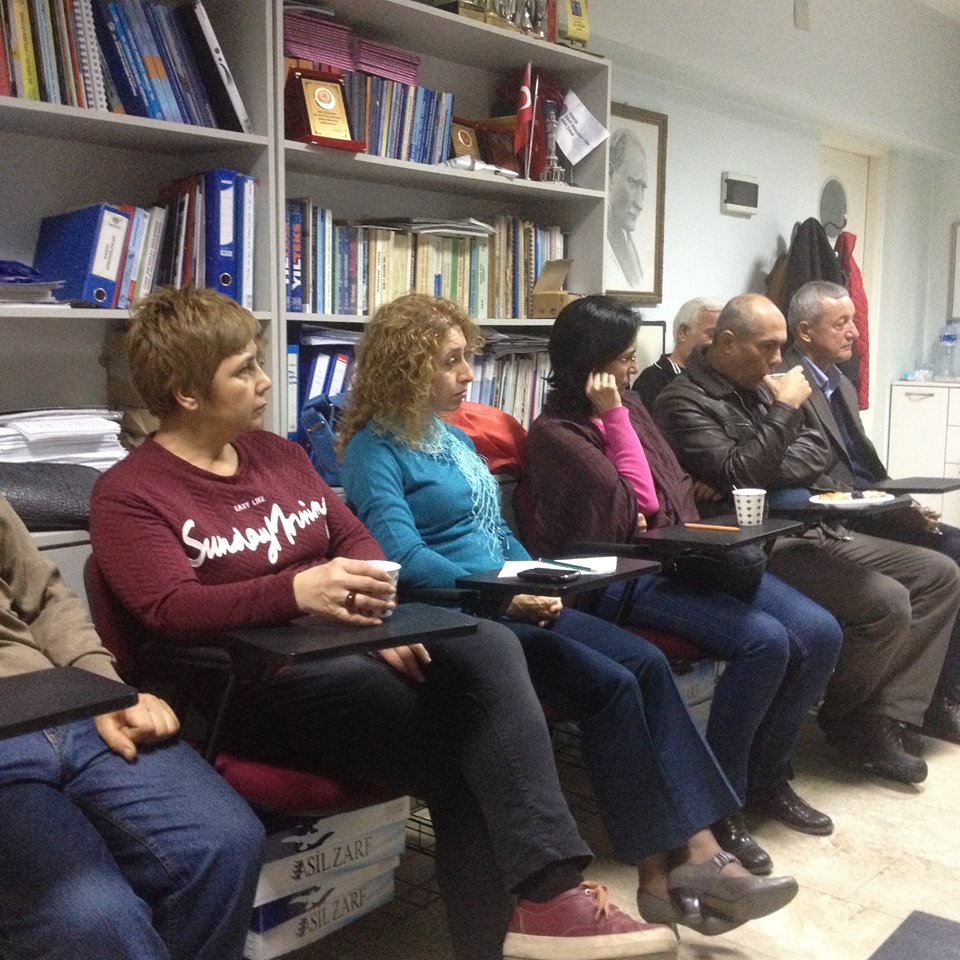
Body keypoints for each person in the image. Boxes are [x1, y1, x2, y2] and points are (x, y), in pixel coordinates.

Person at [89, 286, 681, 960]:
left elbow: (360, 544)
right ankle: (546, 900)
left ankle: (544, 904)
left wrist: (373, 625)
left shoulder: (279, 457)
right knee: (477, 745)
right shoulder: (131, 492)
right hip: (257, 683)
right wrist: (298, 592)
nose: (264, 381)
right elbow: (170, 610)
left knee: (486, 652)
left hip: (344, 652)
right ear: (187, 393)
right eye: (244, 369)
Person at [338, 292, 799, 931]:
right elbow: (404, 557)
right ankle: (674, 867)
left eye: (467, 358)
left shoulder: (451, 436)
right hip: (461, 617)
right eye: (450, 361)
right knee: (613, 683)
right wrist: (505, 591)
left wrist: (539, 574)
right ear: (404, 369)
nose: (468, 373)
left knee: (644, 663)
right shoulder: (372, 451)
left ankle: (681, 862)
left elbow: (494, 530)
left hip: (511, 598)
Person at [519, 295, 843, 875]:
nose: (632, 367)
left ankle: (768, 776)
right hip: (619, 577)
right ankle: (723, 804)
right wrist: (620, 430)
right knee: (764, 642)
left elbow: (671, 490)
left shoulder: (634, 406)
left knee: (821, 632)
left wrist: (656, 494)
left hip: (683, 556)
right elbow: (630, 511)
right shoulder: (556, 433)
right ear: (591, 363)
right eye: (623, 357)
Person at [655, 293, 960, 786]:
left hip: (811, 522)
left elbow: (815, 450)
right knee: (886, 602)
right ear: (727, 342)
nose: (778, 359)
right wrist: (781, 413)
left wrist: (757, 458)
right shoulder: (682, 400)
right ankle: (847, 719)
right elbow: (739, 473)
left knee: (939, 573)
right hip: (758, 541)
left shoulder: (759, 385)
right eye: (768, 347)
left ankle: (881, 713)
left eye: (781, 346)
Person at [0, 496, 264, 960]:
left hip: (62, 697)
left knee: (225, 843)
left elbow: (43, 597)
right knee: (92, 918)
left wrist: (105, 687)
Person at [784, 279, 960, 744]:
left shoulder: (839, 381)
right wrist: (888, 509)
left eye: (853, 321)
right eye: (841, 322)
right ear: (805, 331)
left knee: (958, 545)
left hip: (868, 504)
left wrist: (901, 503)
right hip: (834, 517)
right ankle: (878, 711)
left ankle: (936, 698)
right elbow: (809, 476)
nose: (854, 332)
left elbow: (865, 466)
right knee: (942, 564)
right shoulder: (786, 383)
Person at [634, 297, 722, 411]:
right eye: (712, 335)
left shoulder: (720, 376)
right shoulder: (651, 382)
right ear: (683, 332)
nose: (720, 344)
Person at [605, 128, 648, 291]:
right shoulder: (600, 236)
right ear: (610, 175)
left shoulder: (626, 237)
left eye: (643, 188)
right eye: (633, 183)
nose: (640, 204)